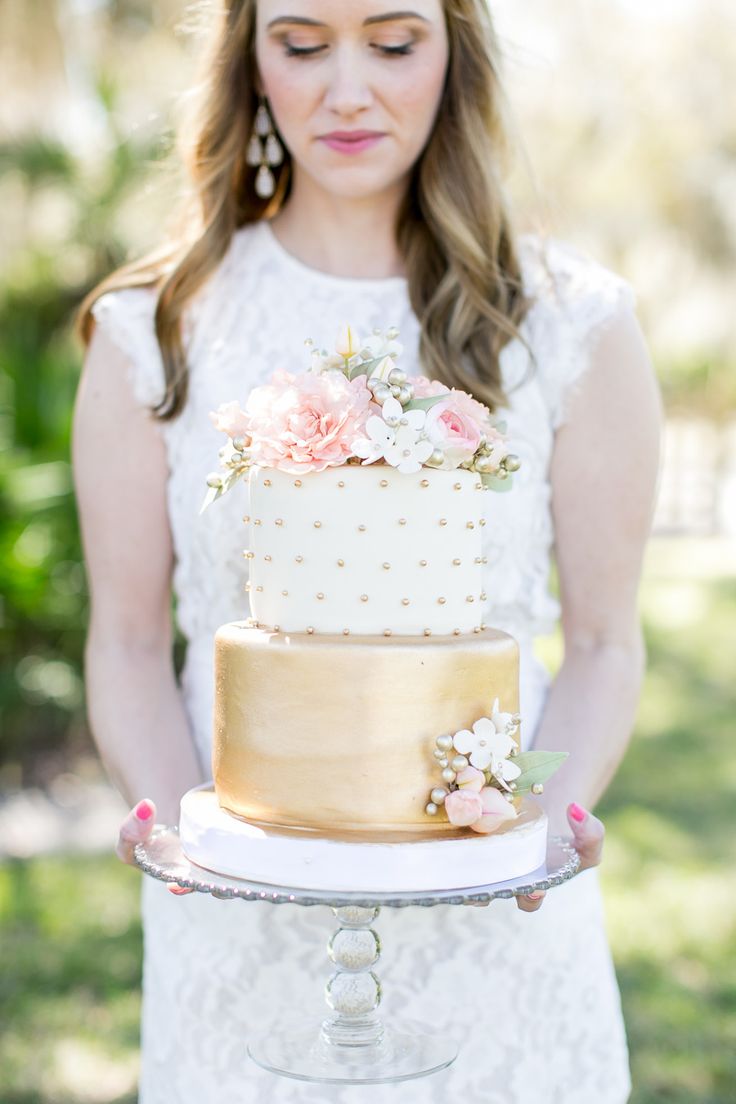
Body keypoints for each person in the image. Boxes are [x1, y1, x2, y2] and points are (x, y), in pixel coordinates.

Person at [72, 1, 661, 1101]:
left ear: (455, 58)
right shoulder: (154, 329)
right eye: (302, 45)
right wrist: (194, 859)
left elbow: (599, 640)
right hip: (239, 907)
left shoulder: (569, 321)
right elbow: (127, 639)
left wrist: (536, 835)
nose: (348, 89)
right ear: (249, 61)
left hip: (491, 913)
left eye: (393, 43)